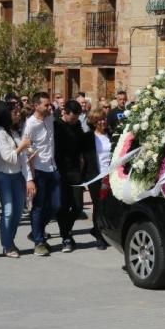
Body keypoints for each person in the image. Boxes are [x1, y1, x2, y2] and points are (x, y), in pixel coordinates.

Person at [0, 100, 31, 257]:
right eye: (14, 112)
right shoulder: (0, 132)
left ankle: (11, 240)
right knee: (8, 211)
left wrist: (28, 151)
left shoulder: (15, 132)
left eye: (18, 112)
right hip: (3, 176)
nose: (17, 114)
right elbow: (8, 157)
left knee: (17, 212)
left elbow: (21, 156)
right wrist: (22, 146)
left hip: (17, 176)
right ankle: (7, 245)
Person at [24, 91, 58, 257]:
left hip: (52, 167)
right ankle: (38, 241)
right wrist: (30, 178)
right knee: (39, 206)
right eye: (45, 104)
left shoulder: (50, 118)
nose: (49, 107)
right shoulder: (30, 124)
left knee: (55, 205)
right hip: (39, 169)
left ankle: (36, 231)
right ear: (36, 105)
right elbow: (26, 148)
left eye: (49, 104)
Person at [55, 99, 86, 252]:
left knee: (78, 206)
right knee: (63, 206)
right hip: (60, 170)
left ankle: (66, 232)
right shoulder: (56, 126)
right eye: (73, 118)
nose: (75, 121)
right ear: (64, 113)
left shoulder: (78, 125)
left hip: (75, 170)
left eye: (77, 118)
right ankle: (66, 236)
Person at [87, 108, 111, 249]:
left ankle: (105, 232)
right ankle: (99, 235)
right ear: (94, 123)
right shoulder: (89, 137)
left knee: (108, 206)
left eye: (104, 119)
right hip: (96, 176)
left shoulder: (111, 134)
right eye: (100, 120)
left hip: (111, 175)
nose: (103, 122)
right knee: (99, 206)